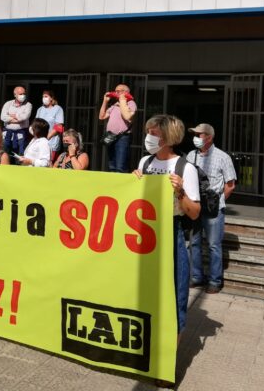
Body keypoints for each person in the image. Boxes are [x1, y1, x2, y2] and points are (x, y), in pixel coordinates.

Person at [132, 114, 200, 350]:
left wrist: (180, 192)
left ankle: (169, 357)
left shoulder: (185, 168)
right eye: (148, 132)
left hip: (171, 233)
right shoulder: (145, 163)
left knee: (174, 297)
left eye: (154, 133)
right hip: (144, 232)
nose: (148, 137)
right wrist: (131, 183)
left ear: (168, 137)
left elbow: (194, 213)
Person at [187, 123, 237, 294]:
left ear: (209, 137)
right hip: (195, 206)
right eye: (194, 134)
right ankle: (196, 277)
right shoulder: (191, 156)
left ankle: (215, 281)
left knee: (214, 245)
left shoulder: (223, 157)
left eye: (198, 134)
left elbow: (230, 185)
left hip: (214, 210)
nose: (195, 138)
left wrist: (217, 201)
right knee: (194, 243)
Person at [98, 84, 137, 173]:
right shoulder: (115, 105)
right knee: (112, 166)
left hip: (122, 137)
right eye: (115, 91)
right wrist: (105, 101)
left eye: (119, 91)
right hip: (111, 137)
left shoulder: (131, 103)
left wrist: (122, 101)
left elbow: (127, 117)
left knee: (120, 166)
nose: (116, 93)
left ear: (126, 92)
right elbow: (101, 116)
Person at [0, 86, 32, 157]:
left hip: (21, 135)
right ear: (15, 95)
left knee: (20, 156)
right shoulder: (8, 104)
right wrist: (19, 119)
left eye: (24, 94)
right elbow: (3, 117)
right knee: (5, 154)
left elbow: (24, 117)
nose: (23, 95)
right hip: (7, 134)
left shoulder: (28, 105)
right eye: (20, 94)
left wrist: (10, 117)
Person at [35, 90, 64, 162]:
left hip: (51, 143)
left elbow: (59, 126)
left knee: (49, 163)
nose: (44, 98)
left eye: (46, 96)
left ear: (51, 98)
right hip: (39, 142)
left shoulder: (58, 109)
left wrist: (46, 138)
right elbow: (35, 124)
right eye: (43, 96)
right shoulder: (40, 109)